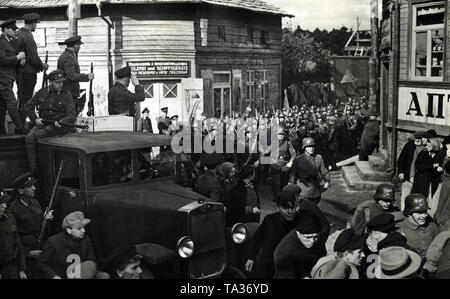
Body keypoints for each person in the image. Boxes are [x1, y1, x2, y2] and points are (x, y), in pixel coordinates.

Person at [24, 70, 77, 174]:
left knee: (40, 134)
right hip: (44, 123)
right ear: (50, 82)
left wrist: (61, 121)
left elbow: (72, 115)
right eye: (57, 82)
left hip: (60, 126)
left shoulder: (67, 94)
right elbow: (28, 106)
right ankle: (34, 170)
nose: (60, 85)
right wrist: (35, 119)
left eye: (62, 82)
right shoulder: (42, 92)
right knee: (29, 138)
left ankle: (45, 170)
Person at [245, 191, 301, 278]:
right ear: (277, 208)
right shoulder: (269, 220)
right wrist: (250, 258)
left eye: (292, 207)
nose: (290, 211)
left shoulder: (300, 222)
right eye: (285, 208)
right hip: (267, 266)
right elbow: (257, 239)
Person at [7, 172, 53, 277]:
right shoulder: (13, 210)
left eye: (33, 185)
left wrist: (45, 218)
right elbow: (13, 239)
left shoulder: (35, 202)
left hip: (40, 245)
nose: (34, 188)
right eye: (30, 186)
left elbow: (39, 224)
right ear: (21, 190)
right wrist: (27, 253)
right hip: (26, 254)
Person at [36, 211, 98, 279]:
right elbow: (41, 263)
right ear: (69, 230)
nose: (83, 230)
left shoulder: (86, 240)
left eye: (83, 227)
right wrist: (53, 276)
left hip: (81, 275)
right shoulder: (54, 241)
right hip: (62, 276)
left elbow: (91, 261)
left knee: (104, 276)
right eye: (79, 228)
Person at [15, 12, 49, 125]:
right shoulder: (27, 36)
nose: (36, 26)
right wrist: (42, 65)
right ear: (33, 23)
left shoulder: (18, 33)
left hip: (19, 72)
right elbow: (33, 56)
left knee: (21, 97)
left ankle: (21, 123)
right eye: (36, 23)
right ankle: (22, 125)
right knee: (27, 99)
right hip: (27, 72)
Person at [273, 210, 325, 279]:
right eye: (307, 237)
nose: (312, 241)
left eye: (315, 237)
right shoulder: (284, 253)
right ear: (298, 233)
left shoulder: (317, 238)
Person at [0, 19, 26, 135]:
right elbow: (2, 60)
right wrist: (17, 58)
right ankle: (20, 127)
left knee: (2, 104)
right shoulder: (1, 42)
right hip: (3, 78)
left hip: (8, 78)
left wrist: (18, 60)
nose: (15, 31)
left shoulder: (8, 41)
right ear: (5, 30)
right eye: (12, 29)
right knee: (12, 103)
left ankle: (1, 130)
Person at [57, 35, 94, 114]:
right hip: (69, 91)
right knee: (70, 115)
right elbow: (72, 75)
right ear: (75, 46)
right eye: (79, 45)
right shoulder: (68, 58)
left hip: (67, 91)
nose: (80, 48)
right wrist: (86, 77)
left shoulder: (67, 56)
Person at [289, 137, 330, 205]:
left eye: (313, 146)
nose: (311, 148)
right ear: (304, 148)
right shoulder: (298, 160)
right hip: (303, 189)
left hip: (315, 190)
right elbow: (293, 175)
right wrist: (292, 188)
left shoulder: (319, 158)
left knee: (313, 208)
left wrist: (327, 181)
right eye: (309, 147)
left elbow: (324, 172)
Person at [398, 193, 439, 258]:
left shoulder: (432, 227)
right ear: (409, 213)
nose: (424, 215)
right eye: (419, 212)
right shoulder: (399, 230)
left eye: (425, 211)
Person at [0, 188, 27, 279]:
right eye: (0, 203)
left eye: (4, 202)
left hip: (13, 268)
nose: (4, 205)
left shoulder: (9, 218)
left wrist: (21, 269)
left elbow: (18, 244)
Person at [397, 131, 426, 211]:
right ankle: (403, 212)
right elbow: (401, 159)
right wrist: (400, 172)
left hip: (419, 177)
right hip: (408, 174)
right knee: (405, 194)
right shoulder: (409, 146)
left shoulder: (425, 148)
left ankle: (413, 212)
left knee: (416, 196)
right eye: (416, 138)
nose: (418, 140)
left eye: (420, 138)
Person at [412, 138, 444, 204]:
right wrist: (432, 166)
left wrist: (440, 169)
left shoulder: (439, 155)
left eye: (429, 146)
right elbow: (418, 166)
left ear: (434, 147)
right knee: (420, 198)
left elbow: (441, 166)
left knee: (431, 199)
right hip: (422, 181)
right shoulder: (423, 153)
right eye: (426, 145)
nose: (427, 147)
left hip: (433, 181)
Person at [269, 127, 296, 195]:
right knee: (276, 183)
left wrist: (291, 161)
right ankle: (276, 196)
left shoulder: (288, 143)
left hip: (285, 164)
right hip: (275, 164)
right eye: (279, 134)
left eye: (282, 134)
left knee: (284, 182)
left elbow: (293, 154)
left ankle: (283, 195)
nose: (280, 136)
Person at [435, 136, 450, 231]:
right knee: (442, 201)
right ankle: (439, 218)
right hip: (445, 181)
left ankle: (441, 218)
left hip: (447, 182)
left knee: (445, 202)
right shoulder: (445, 154)